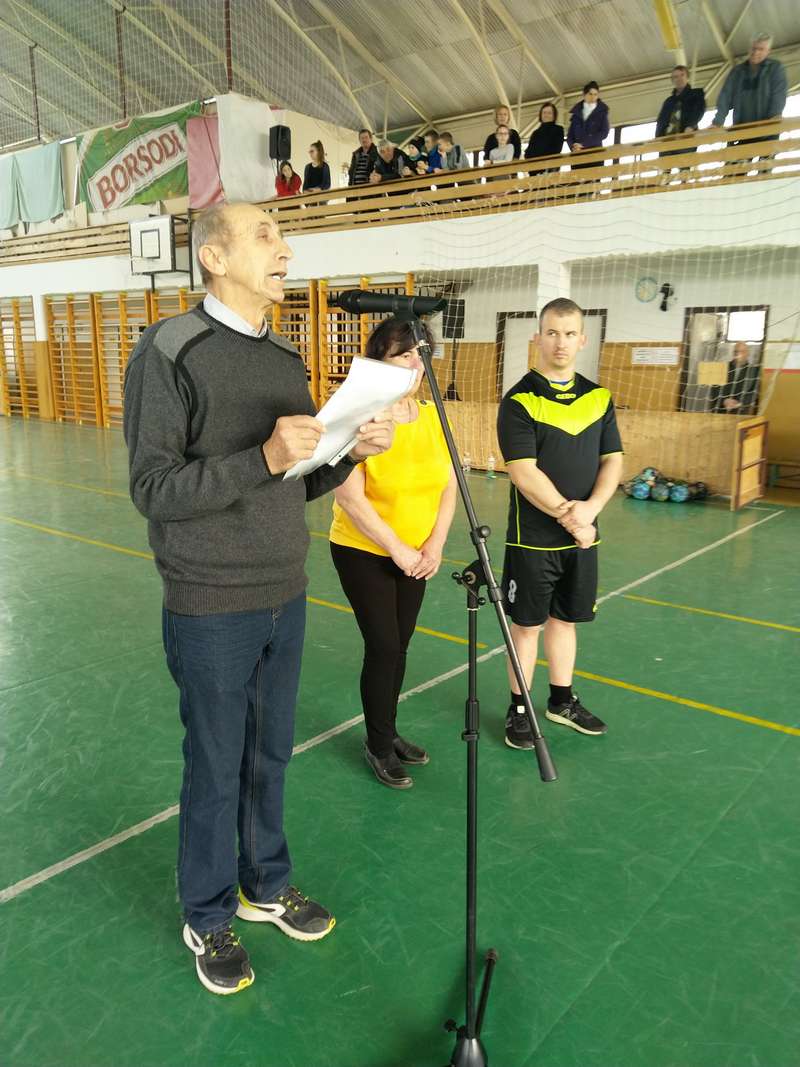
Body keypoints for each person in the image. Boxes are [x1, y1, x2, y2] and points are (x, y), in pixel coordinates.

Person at [123, 202, 393, 995]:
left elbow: (291, 482)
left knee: (270, 753)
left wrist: (348, 452)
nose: (286, 249)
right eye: (266, 235)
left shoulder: (282, 355)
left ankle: (265, 883)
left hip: (286, 592)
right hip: (210, 600)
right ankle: (207, 913)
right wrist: (263, 456)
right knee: (215, 765)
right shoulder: (168, 351)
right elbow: (153, 489)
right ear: (214, 256)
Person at [329, 317, 457, 788]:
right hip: (363, 550)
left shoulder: (434, 416)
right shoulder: (362, 416)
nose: (416, 364)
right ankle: (378, 745)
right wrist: (398, 549)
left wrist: (435, 544)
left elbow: (448, 485)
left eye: (422, 354)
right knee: (383, 646)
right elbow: (350, 497)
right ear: (379, 362)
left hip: (418, 553)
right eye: (404, 354)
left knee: (399, 646)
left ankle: (388, 730)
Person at [496, 297, 623, 748]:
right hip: (532, 540)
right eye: (552, 333)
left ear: (582, 339)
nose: (560, 343)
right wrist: (573, 518)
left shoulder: (599, 398)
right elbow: (523, 472)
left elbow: (613, 461)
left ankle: (561, 701)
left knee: (565, 621)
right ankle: (519, 709)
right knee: (526, 627)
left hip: (582, 537)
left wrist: (591, 510)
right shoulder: (519, 400)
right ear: (538, 338)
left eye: (569, 334)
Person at [712, 34, 788, 131]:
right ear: (749, 49)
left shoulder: (775, 68)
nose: (756, 52)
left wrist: (775, 115)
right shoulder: (737, 72)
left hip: (768, 128)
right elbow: (725, 97)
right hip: (741, 129)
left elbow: (779, 94)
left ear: (768, 51)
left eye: (761, 49)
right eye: (754, 48)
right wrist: (717, 122)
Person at [567, 82, 610, 171]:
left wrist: (583, 144)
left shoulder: (602, 112)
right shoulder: (576, 113)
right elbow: (570, 135)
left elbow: (604, 133)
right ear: (584, 95)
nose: (593, 97)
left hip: (595, 155)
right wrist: (573, 146)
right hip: (577, 156)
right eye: (590, 94)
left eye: (595, 94)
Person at [656, 66, 706, 140]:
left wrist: (690, 126)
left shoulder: (696, 94)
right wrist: (658, 137)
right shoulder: (668, 102)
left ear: (687, 77)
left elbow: (698, 111)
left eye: (682, 75)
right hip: (668, 140)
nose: (679, 79)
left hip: (687, 136)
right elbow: (661, 121)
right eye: (676, 77)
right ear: (672, 81)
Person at [713, 341, 760, 414]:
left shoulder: (754, 370)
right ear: (733, 353)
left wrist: (739, 403)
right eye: (736, 351)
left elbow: (754, 392)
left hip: (741, 411)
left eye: (742, 351)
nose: (738, 354)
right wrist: (724, 401)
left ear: (748, 354)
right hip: (721, 410)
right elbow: (715, 388)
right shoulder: (722, 368)